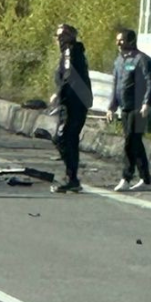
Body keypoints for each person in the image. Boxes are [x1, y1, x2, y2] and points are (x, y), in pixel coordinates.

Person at [106, 27, 151, 191]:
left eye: (121, 39)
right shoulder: (119, 61)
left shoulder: (142, 59)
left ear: (131, 41)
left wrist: (147, 103)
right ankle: (146, 180)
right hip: (125, 107)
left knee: (130, 143)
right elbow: (116, 86)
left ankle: (126, 177)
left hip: (138, 107)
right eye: (117, 39)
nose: (118, 42)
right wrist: (111, 107)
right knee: (135, 143)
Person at [48, 22, 93, 193]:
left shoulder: (70, 52)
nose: (59, 39)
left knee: (63, 138)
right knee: (67, 139)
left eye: (62, 36)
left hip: (73, 103)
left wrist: (58, 95)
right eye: (57, 36)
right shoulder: (72, 53)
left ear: (70, 37)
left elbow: (69, 77)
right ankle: (71, 177)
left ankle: (72, 177)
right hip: (72, 102)